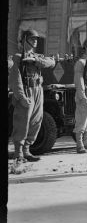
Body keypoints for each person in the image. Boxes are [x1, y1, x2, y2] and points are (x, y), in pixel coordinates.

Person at [9, 29, 55, 162]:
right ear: (25, 40)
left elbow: (51, 62)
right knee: (22, 122)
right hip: (26, 91)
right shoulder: (18, 58)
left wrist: (35, 60)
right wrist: (21, 97)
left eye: (36, 38)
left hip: (38, 90)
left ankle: (27, 150)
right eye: (32, 38)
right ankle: (18, 152)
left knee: (36, 121)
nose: (35, 41)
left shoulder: (37, 56)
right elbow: (16, 80)